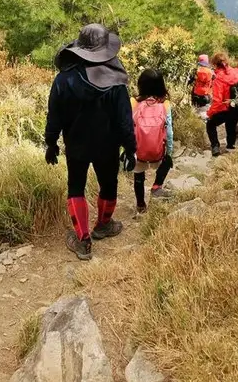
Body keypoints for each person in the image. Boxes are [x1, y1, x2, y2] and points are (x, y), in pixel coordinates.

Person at [44, 23, 136, 261]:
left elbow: (54, 115)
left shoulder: (64, 79)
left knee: (76, 186)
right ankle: (103, 226)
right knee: (109, 183)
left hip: (76, 144)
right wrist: (131, 148)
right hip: (108, 145)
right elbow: (125, 121)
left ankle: (83, 241)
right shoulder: (116, 80)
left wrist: (51, 143)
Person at [131, 69, 174, 214]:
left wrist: (128, 148)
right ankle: (156, 186)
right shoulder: (165, 104)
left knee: (138, 175)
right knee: (167, 162)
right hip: (158, 150)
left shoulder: (133, 102)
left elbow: (127, 126)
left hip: (138, 149)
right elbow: (169, 131)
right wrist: (169, 151)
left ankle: (140, 205)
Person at [206, 53, 238, 156]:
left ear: (215, 64)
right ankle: (231, 146)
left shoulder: (218, 79)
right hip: (237, 106)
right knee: (231, 125)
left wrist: (210, 113)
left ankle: (215, 146)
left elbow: (217, 101)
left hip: (225, 108)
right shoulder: (237, 72)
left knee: (210, 124)